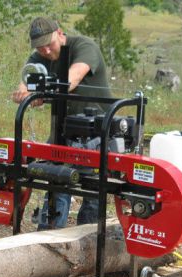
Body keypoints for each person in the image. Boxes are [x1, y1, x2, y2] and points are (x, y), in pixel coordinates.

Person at [12, 17, 112, 230]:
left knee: (92, 190)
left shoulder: (84, 46)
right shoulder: (40, 55)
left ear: (60, 33)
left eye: (49, 44)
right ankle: (49, 238)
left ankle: (87, 241)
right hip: (64, 130)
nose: (46, 51)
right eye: (40, 47)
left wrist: (39, 91)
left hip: (96, 131)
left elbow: (71, 80)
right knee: (56, 182)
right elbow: (27, 76)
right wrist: (25, 90)